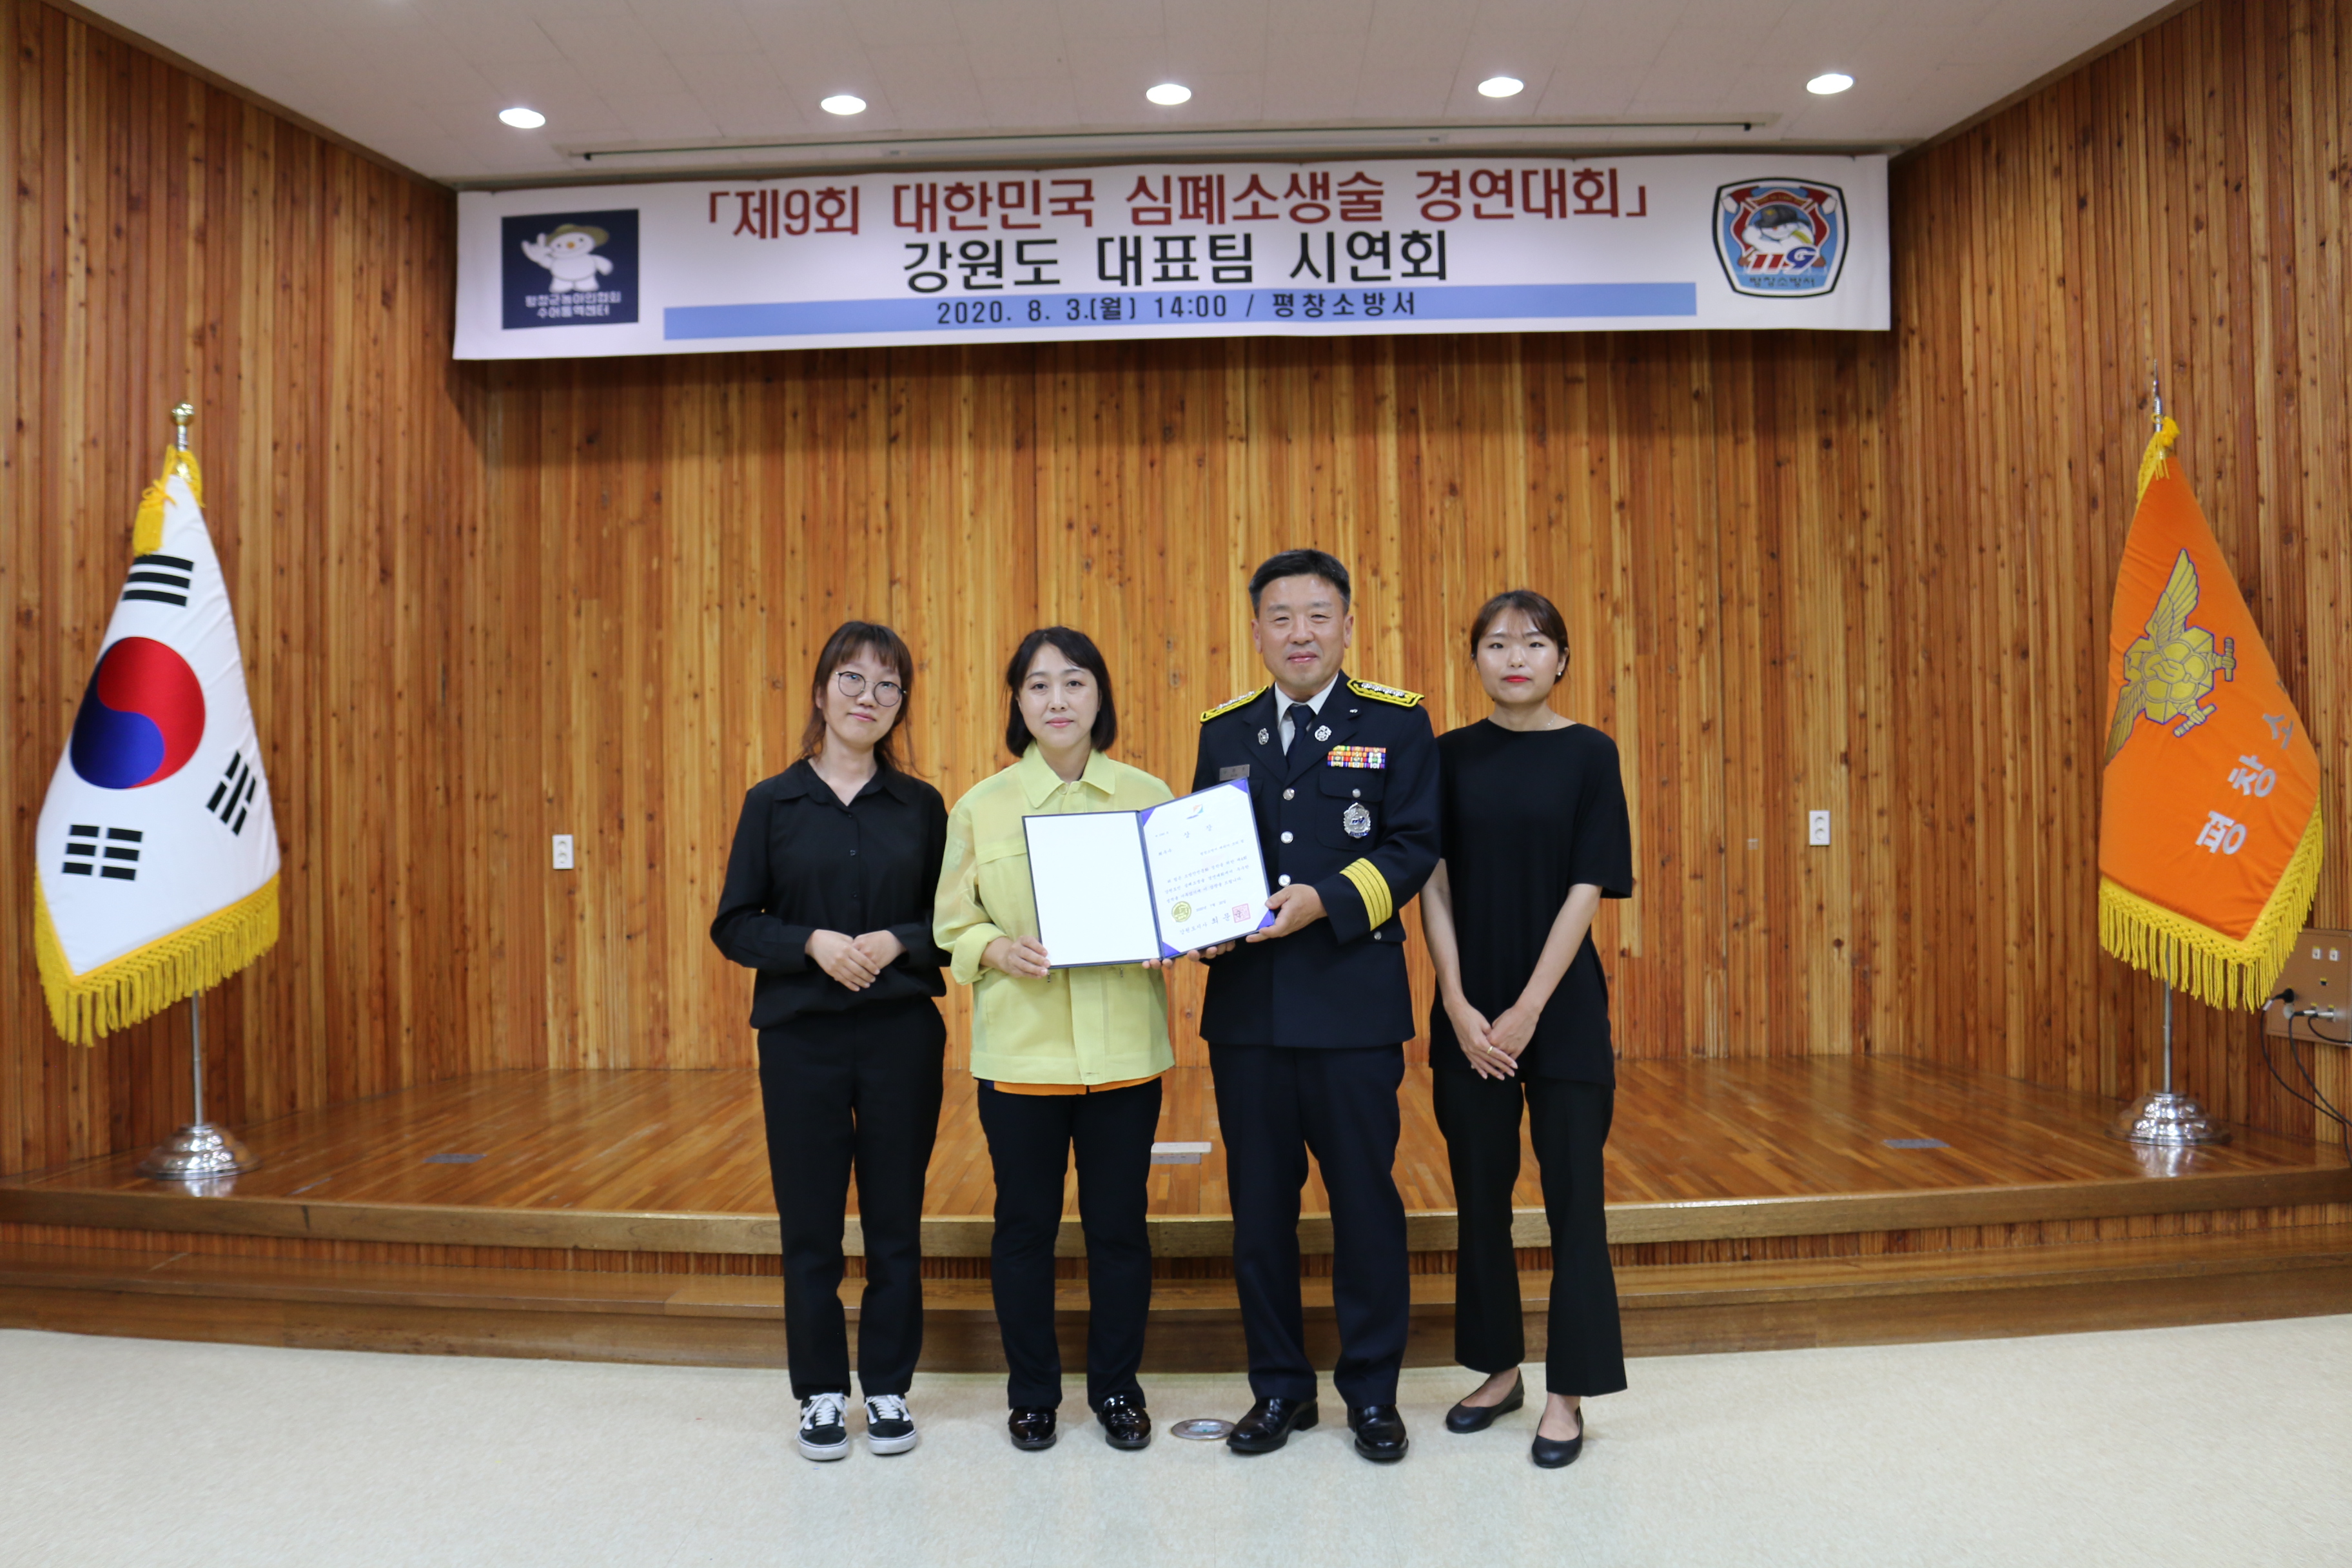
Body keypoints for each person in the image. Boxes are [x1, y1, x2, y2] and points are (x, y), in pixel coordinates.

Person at [1186, 549, 1440, 1463]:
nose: (1301, 633)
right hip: (1248, 1012)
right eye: (1282, 617)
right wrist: (1201, 925)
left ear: (1347, 625)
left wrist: (1325, 900)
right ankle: (1280, 1389)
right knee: (1259, 1212)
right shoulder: (1226, 730)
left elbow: (1413, 845)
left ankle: (1372, 1393)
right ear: (1257, 631)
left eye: (1318, 615)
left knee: (1365, 1204)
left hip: (1351, 1007)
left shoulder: (1396, 723)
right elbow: (1204, 855)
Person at [710, 621, 950, 1464]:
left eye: (887, 686)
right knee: (810, 1223)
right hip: (801, 1040)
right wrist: (809, 941)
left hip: (900, 1037)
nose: (868, 698)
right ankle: (818, 1390)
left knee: (895, 1221)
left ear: (900, 705)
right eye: (852, 679)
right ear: (820, 693)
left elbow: (950, 922)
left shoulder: (921, 806)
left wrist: (898, 939)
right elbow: (735, 923)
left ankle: (886, 1384)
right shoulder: (771, 802)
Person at [934, 627, 1175, 1453]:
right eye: (1039, 685)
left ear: (1100, 695)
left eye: (1075, 682)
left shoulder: (1149, 794)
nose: (1058, 700)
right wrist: (996, 948)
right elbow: (951, 924)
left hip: (1125, 1057)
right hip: (1022, 1058)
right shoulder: (981, 804)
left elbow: (1182, 905)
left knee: (1120, 1230)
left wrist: (1169, 935)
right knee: (1024, 1229)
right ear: (1018, 702)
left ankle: (1118, 1390)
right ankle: (1033, 1393)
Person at [1418, 589, 1634, 1469]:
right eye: (1498, 643)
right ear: (1474, 658)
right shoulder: (1444, 756)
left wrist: (1530, 1007)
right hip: (1469, 1013)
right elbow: (1431, 881)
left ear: (1562, 660)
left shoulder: (1591, 754)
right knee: (1481, 1197)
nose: (1515, 657)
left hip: (1561, 1008)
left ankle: (1568, 1392)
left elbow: (1588, 886)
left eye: (1535, 643)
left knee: (1575, 1200)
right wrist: (1456, 1000)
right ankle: (1498, 1369)